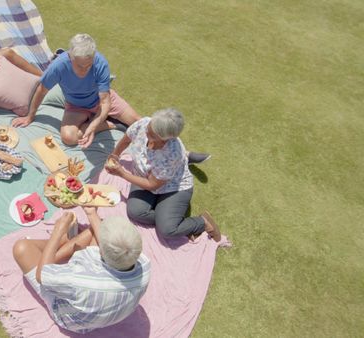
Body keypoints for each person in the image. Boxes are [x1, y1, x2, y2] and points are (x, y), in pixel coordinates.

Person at [12, 208, 150, 333]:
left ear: (101, 251)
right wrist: (91, 213)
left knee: (22, 248)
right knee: (98, 226)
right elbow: (101, 233)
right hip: (98, 312)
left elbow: (41, 276)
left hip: (71, 320)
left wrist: (57, 232)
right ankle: (59, 247)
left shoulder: (80, 280)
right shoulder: (144, 265)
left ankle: (59, 244)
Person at [105, 108, 221, 241]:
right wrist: (115, 155)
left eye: (152, 134)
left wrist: (122, 173)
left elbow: (152, 185)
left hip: (173, 188)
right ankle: (167, 216)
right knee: (135, 212)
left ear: (166, 139)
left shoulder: (172, 153)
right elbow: (126, 139)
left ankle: (201, 222)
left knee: (167, 230)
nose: (146, 132)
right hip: (144, 177)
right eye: (149, 127)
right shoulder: (143, 124)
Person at [11, 33, 141, 148]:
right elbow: (42, 90)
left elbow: (105, 101)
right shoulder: (58, 66)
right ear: (70, 56)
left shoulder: (101, 63)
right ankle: (110, 124)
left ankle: (97, 121)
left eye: (88, 65)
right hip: (76, 106)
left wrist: (92, 126)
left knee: (138, 121)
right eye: (79, 65)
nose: (84, 70)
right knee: (69, 138)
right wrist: (30, 116)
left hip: (101, 101)